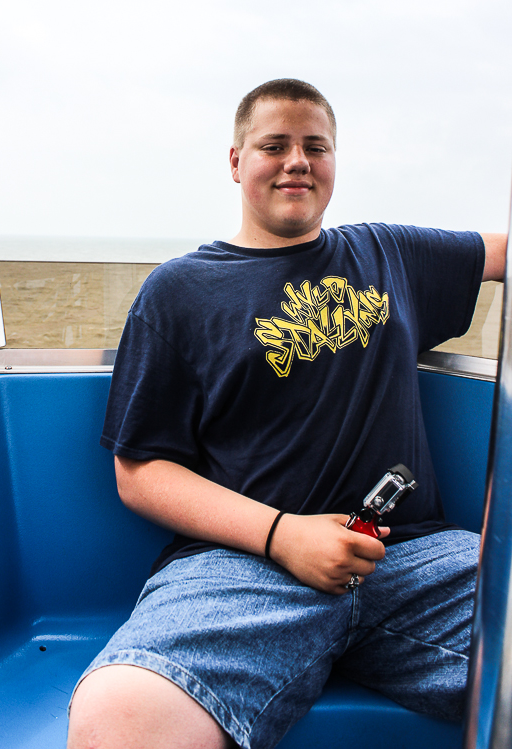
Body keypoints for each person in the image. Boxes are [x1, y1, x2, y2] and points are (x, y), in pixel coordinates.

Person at [67, 79, 507, 749]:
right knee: (120, 714)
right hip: (242, 567)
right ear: (237, 161)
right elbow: (140, 470)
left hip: (417, 560)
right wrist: (283, 536)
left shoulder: (391, 253)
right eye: (274, 145)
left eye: (315, 146)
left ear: (333, 161)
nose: (297, 160)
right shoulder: (178, 290)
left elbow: (501, 252)